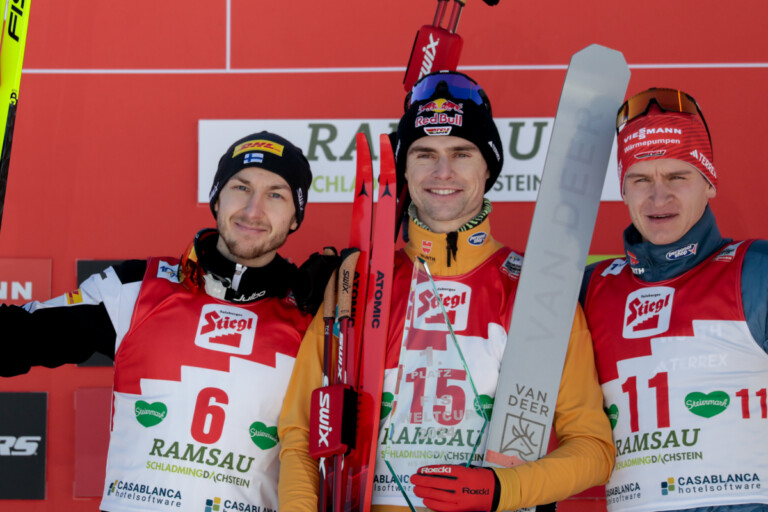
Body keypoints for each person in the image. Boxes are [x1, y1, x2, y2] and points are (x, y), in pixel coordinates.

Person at [278, 71, 614, 512]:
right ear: (404, 167)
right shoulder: (357, 283)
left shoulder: (534, 290)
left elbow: (593, 448)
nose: (442, 171)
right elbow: (301, 432)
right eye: (424, 153)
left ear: (487, 165)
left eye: (461, 152)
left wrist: (499, 490)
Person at [0, 131, 338, 512]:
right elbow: (15, 341)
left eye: (276, 194)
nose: (253, 210)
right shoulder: (136, 288)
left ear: (296, 216)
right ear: (216, 196)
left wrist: (343, 296)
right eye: (240, 187)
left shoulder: (316, 316)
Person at [580, 88, 768, 512]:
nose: (658, 197)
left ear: (709, 182)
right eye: (641, 179)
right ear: (624, 192)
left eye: (677, 177)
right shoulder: (590, 288)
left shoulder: (756, 270)